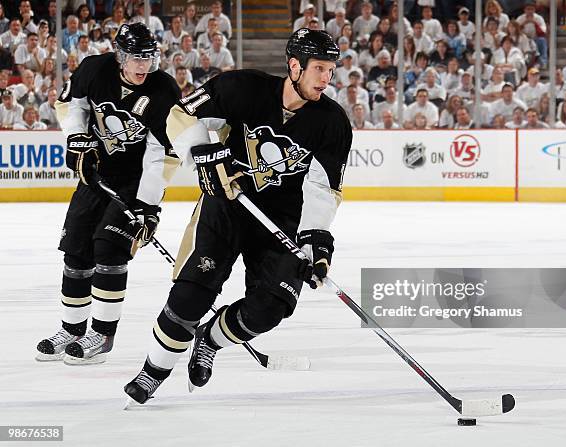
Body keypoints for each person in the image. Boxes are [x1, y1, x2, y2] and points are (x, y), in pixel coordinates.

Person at [124, 28, 352, 404]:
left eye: (331, 70)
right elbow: (181, 116)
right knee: (190, 297)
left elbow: (323, 189)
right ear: (294, 66)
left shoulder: (333, 123)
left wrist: (316, 241)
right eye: (320, 69)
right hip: (226, 207)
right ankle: (153, 372)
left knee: (268, 310)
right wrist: (205, 156)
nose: (327, 79)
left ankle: (209, 339)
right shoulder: (240, 87)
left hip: (280, 223)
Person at [35, 23, 180, 365]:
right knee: (76, 252)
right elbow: (72, 105)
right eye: (135, 57)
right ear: (120, 55)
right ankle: (71, 330)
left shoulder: (164, 91)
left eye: (148, 57)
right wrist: (76, 139)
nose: (143, 65)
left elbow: (161, 153)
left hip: (134, 180)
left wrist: (147, 205)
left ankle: (101, 335)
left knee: (109, 251)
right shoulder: (94, 69)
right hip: (96, 173)